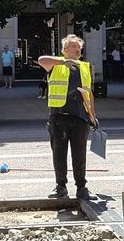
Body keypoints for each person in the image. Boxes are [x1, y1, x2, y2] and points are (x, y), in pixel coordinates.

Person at [39, 34, 98, 200]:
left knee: (80, 154)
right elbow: (42, 60)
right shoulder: (56, 64)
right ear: (64, 50)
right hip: (59, 115)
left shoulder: (85, 67)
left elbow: (89, 93)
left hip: (80, 116)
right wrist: (63, 61)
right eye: (73, 46)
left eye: (79, 47)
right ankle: (61, 186)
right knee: (59, 153)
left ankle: (81, 187)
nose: (77, 49)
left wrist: (92, 115)